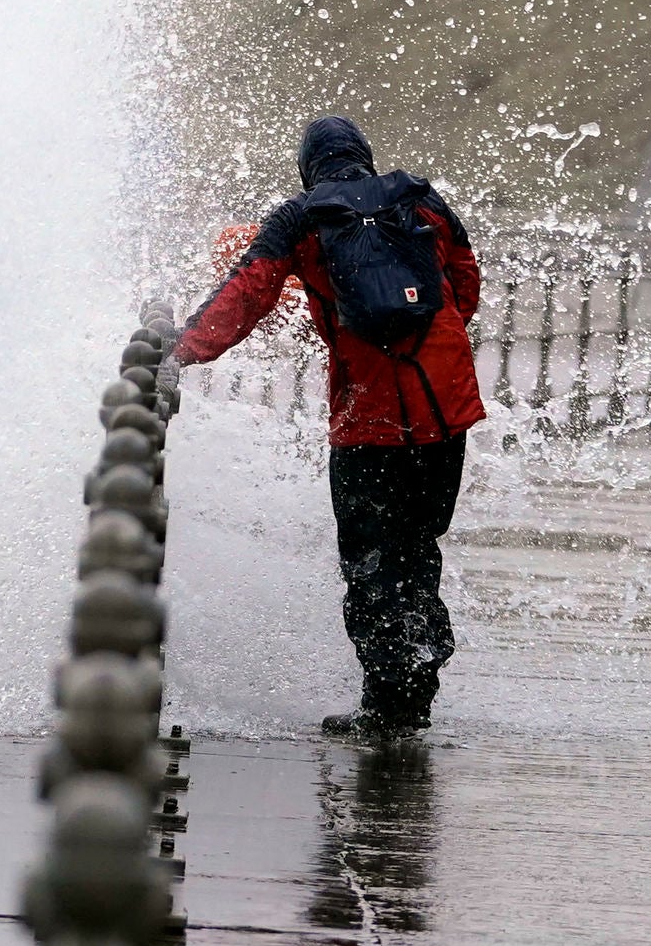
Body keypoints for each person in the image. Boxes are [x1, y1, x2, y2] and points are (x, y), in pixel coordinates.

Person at [171, 115, 485, 735]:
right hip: (444, 409)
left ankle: (387, 700)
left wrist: (182, 352)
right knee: (418, 546)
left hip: (368, 420)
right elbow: (465, 285)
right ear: (366, 158)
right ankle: (418, 676)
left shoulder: (300, 219)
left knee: (370, 561)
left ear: (307, 169)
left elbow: (248, 292)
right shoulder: (420, 199)